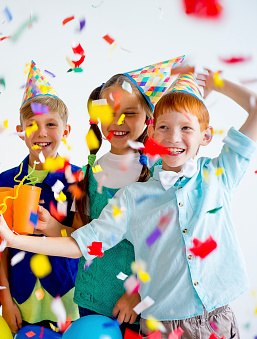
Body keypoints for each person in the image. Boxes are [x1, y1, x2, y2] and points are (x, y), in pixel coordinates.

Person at [0, 70, 257, 338]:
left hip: (192, 313)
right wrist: (19, 237)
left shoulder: (210, 175)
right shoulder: (117, 188)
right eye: (165, 127)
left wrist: (216, 82)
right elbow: (83, 240)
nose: (173, 137)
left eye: (185, 127)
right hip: (121, 306)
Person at [70, 56, 184, 335]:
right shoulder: (88, 172)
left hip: (143, 301)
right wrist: (50, 228)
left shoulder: (162, 172)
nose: (118, 121)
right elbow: (82, 234)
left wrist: (137, 291)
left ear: (149, 118)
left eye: (130, 112)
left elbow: (173, 243)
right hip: (92, 298)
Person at [0, 60, 80, 333]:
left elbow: (88, 240)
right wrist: (5, 301)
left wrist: (56, 229)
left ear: (66, 131)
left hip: (68, 298)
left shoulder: (79, 179)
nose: (41, 133)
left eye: (51, 124)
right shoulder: (5, 181)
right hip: (22, 299)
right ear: (21, 132)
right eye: (32, 125)